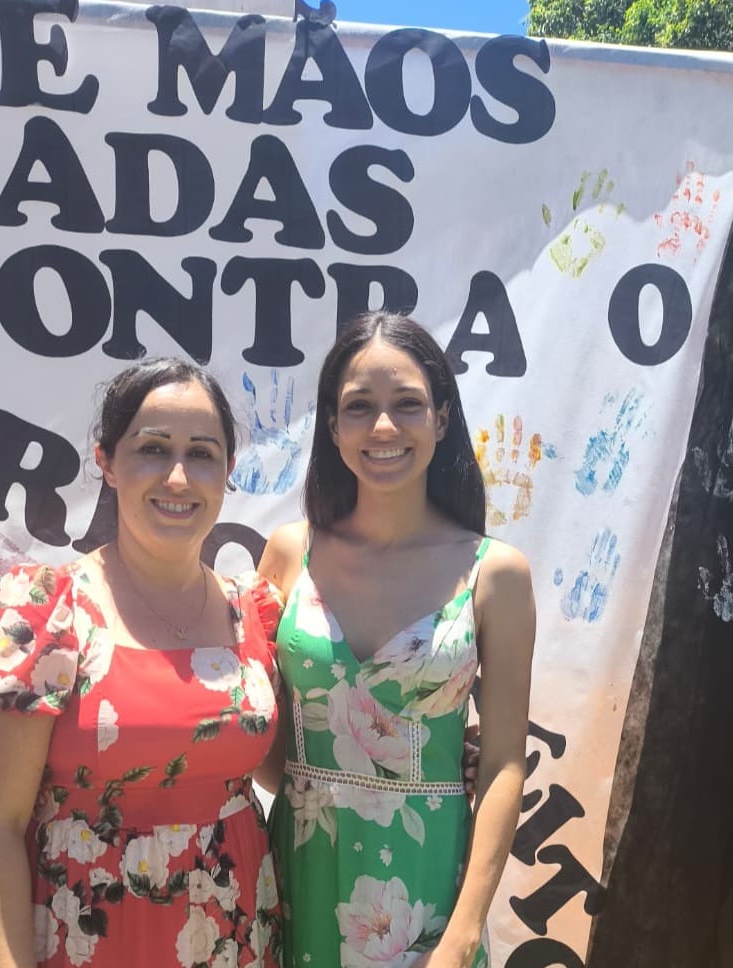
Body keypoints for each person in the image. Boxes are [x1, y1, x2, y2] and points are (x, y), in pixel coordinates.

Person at [0, 359, 284, 968]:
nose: (178, 476)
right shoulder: (48, 611)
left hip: (237, 936)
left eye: (202, 454)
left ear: (228, 471)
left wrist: (440, 750)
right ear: (106, 461)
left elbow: (287, 773)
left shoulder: (252, 613)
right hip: (91, 940)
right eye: (152, 449)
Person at [257, 312, 536, 968]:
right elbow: (264, 739)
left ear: (442, 418)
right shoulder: (289, 555)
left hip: (427, 887)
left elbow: (503, 764)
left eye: (407, 404)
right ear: (333, 426)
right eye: (360, 407)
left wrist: (463, 933)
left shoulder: (494, 574)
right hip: (298, 876)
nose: (383, 427)